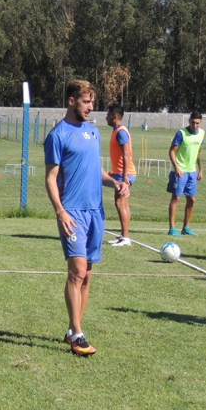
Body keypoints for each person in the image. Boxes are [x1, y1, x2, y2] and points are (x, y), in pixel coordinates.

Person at [44, 80, 130, 356]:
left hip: (96, 212)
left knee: (88, 276)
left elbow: (96, 171)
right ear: (71, 101)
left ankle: (73, 329)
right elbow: (51, 178)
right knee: (77, 272)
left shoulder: (93, 132)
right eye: (85, 101)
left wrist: (115, 182)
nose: (91, 107)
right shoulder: (58, 135)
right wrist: (60, 211)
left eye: (92, 102)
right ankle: (78, 334)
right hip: (72, 213)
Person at [167, 111, 204, 237]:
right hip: (180, 172)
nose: (195, 125)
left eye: (197, 123)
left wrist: (201, 169)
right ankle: (172, 228)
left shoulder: (202, 134)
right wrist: (176, 167)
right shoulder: (181, 133)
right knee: (176, 198)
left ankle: (186, 227)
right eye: (193, 122)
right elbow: (172, 151)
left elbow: (199, 152)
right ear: (189, 121)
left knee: (192, 200)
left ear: (201, 122)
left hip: (192, 172)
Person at [106, 105, 136, 246]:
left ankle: (126, 238)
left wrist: (124, 177)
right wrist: (113, 171)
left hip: (125, 174)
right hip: (119, 173)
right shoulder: (117, 131)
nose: (106, 117)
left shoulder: (121, 132)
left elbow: (126, 154)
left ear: (115, 116)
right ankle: (124, 235)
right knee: (122, 203)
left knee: (120, 202)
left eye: (108, 114)